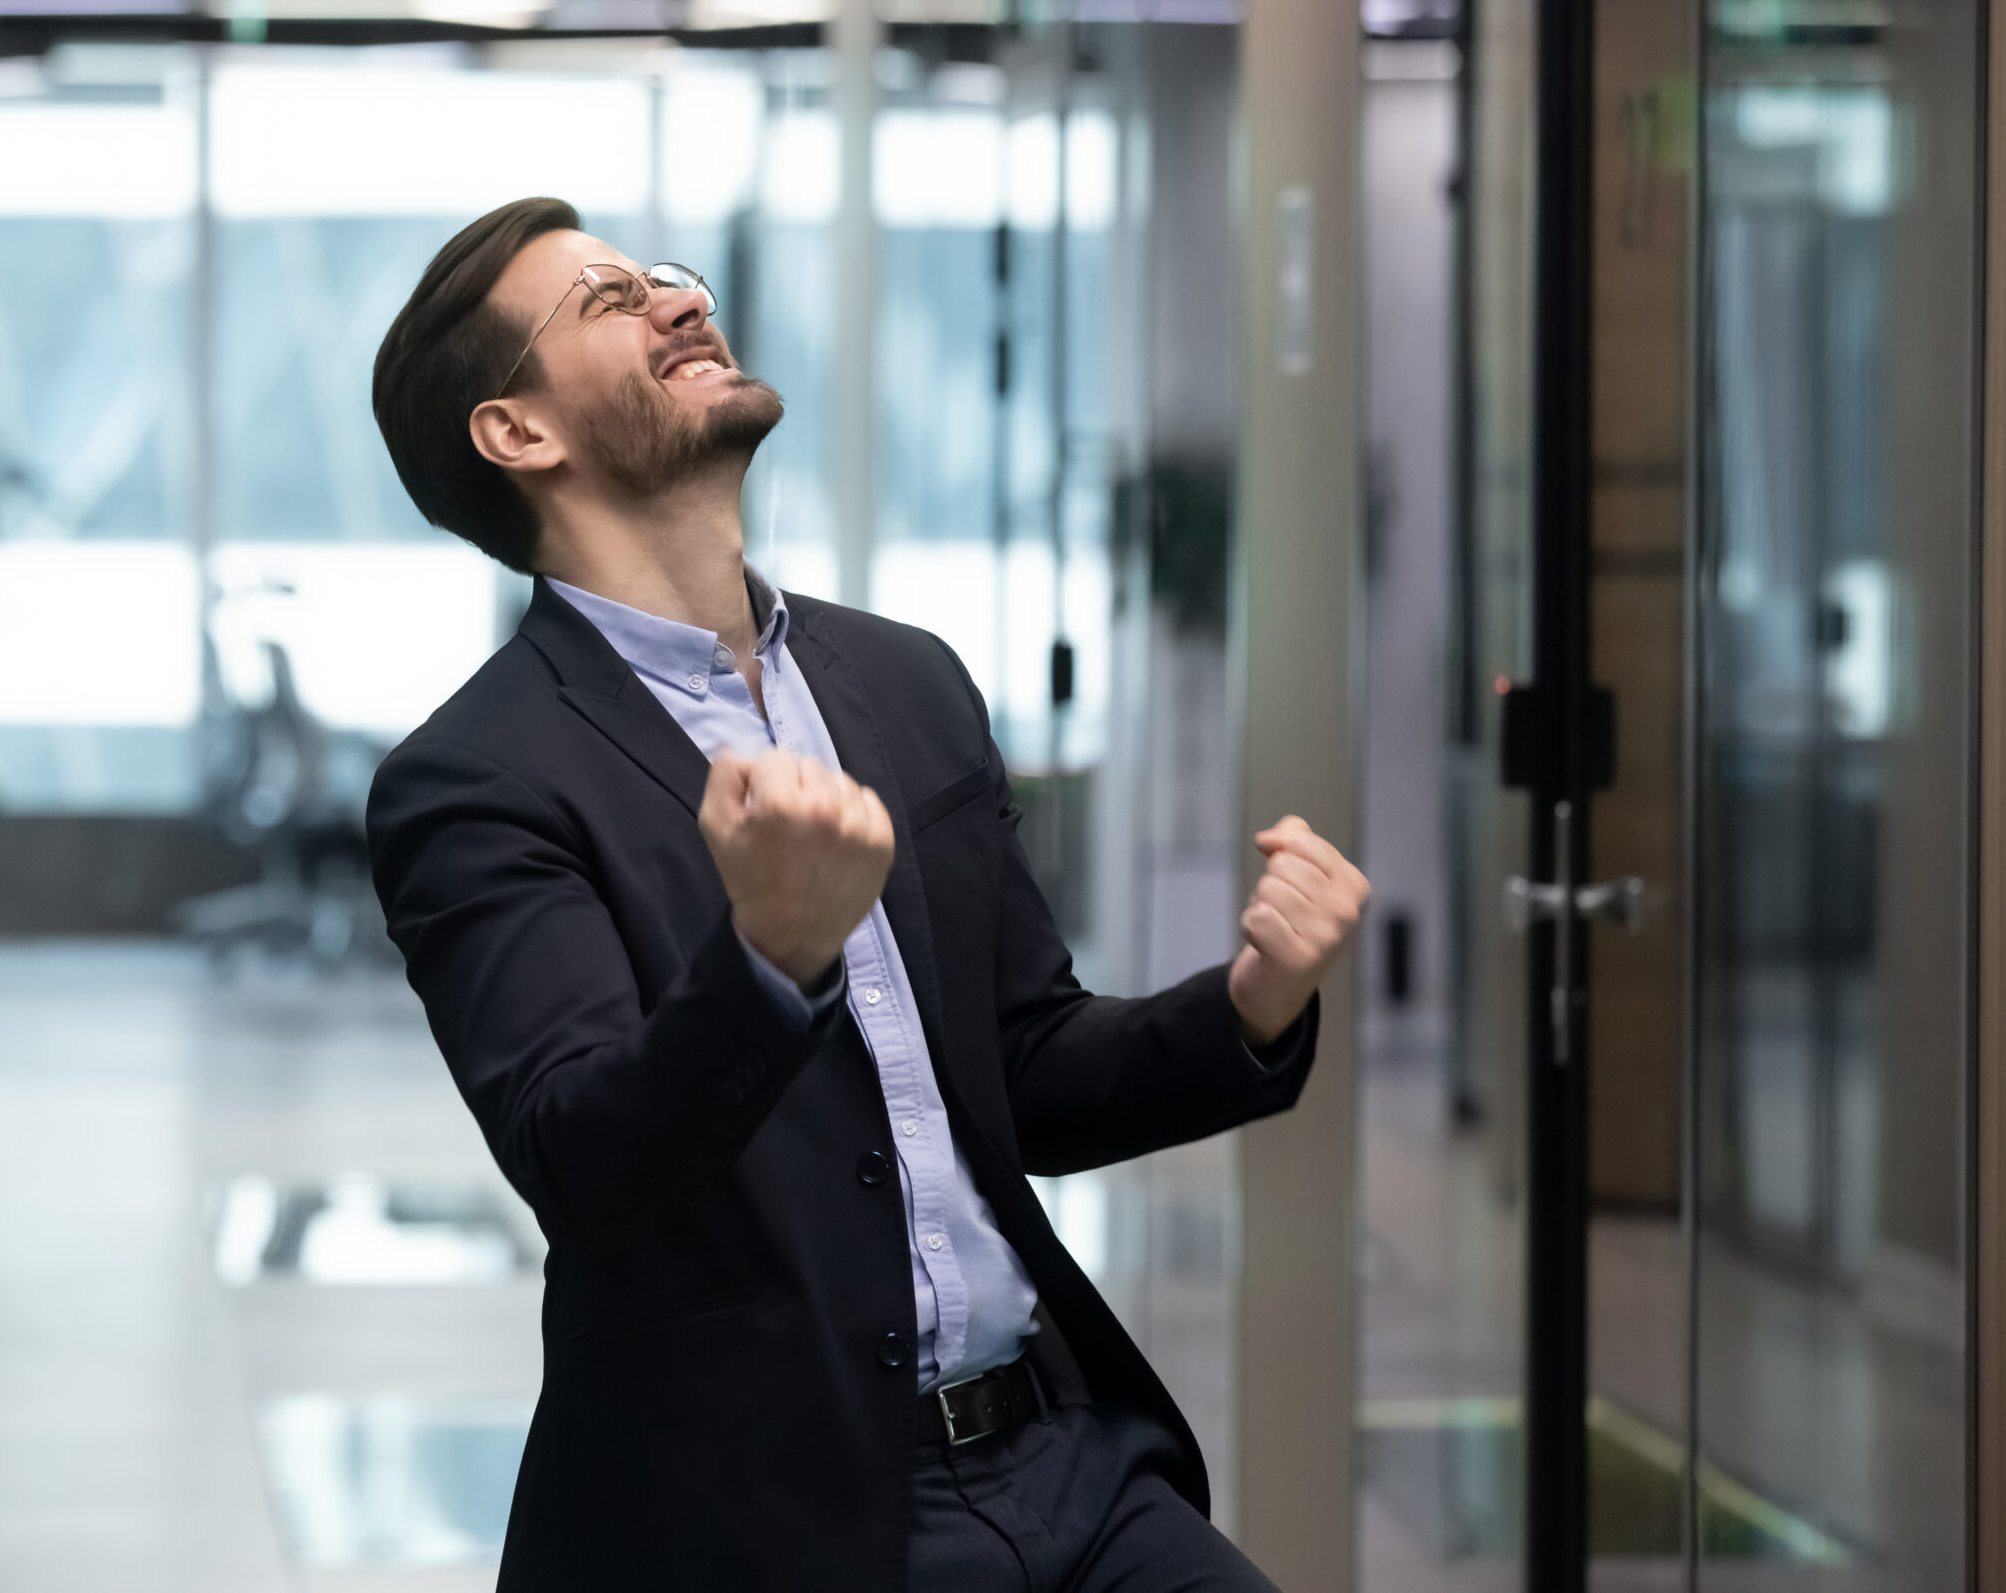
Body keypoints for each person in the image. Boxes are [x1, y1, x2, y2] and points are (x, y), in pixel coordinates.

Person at [365, 196, 1367, 1593]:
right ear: (517, 432)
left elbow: (1026, 1065)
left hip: (1065, 1459)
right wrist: (770, 961)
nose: (676, 302)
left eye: (664, 279)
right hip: (781, 1517)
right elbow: (583, 1162)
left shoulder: (904, 682)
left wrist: (1249, 1007)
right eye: (605, 303)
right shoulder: (476, 781)